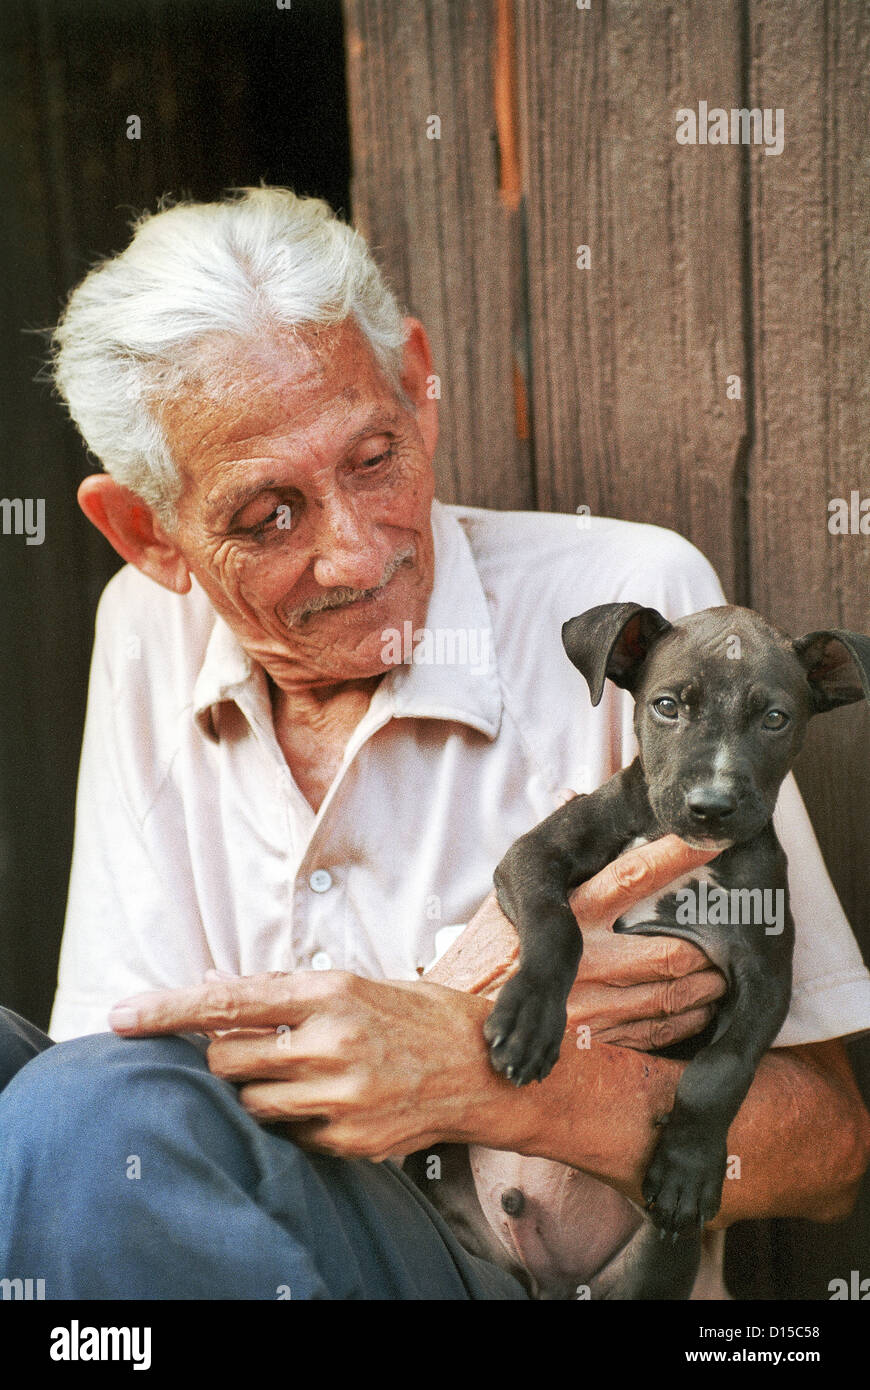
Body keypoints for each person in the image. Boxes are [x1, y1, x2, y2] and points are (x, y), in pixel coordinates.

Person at [1, 188, 867, 1300]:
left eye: (374, 459)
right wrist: (418, 1001)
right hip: (255, 1224)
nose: (359, 556)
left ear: (418, 384)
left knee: (82, 1114)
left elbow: (830, 1149)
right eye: (269, 516)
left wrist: (487, 1071)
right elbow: (124, 1086)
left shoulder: (638, 610)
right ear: (147, 534)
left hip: (505, 1278)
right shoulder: (143, 627)